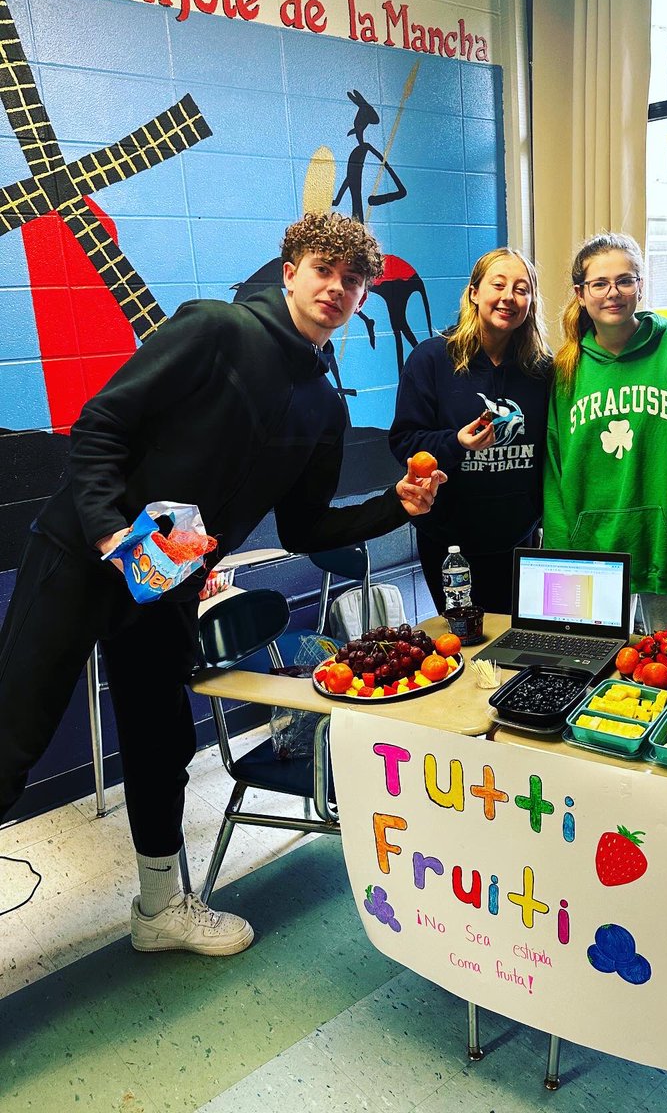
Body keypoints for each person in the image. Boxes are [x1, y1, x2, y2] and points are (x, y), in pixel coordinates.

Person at [0, 212, 443, 954]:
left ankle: (160, 910)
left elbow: (306, 529)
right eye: (323, 269)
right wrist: (113, 532)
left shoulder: (325, 408)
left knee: (160, 739)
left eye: (353, 279)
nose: (336, 287)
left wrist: (390, 506)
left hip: (167, 585)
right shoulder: (215, 330)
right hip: (83, 553)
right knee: (12, 740)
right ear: (291, 269)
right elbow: (102, 424)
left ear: (365, 295)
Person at [543, 232, 667, 635]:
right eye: (599, 283)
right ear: (581, 294)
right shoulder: (566, 369)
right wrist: (562, 558)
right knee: (589, 672)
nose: (612, 293)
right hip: (591, 554)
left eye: (625, 280)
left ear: (640, 287)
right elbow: (554, 471)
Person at [389, 248, 552, 615]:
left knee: (518, 646)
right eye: (498, 284)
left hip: (519, 540)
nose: (509, 296)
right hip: (449, 545)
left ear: (531, 302)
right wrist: (456, 442)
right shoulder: (432, 359)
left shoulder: (542, 370)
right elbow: (404, 442)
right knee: (465, 647)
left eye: (522, 288)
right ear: (474, 293)